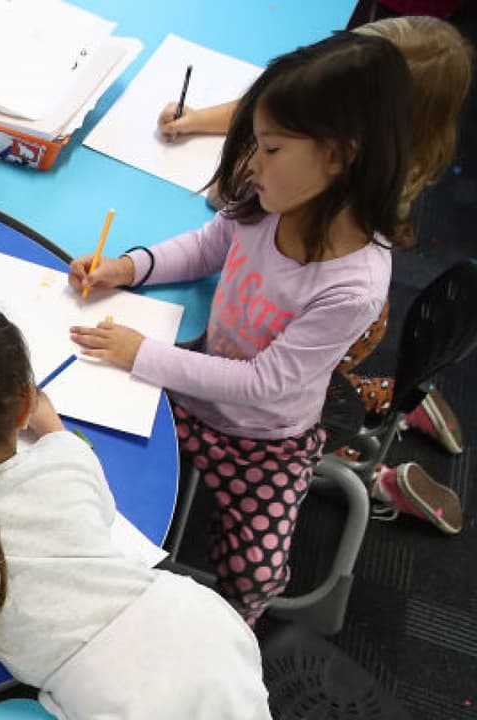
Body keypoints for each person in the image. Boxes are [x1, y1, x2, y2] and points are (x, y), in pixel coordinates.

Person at [68, 32, 415, 622]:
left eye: (272, 148)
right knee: (98, 473)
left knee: (256, 575)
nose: (252, 163)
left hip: (264, 438)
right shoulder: (268, 199)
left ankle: (228, 631)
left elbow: (262, 383)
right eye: (255, 143)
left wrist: (141, 353)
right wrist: (128, 268)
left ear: (339, 156)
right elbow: (208, 246)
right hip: (190, 388)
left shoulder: (354, 284)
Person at [0, 299, 270, 720]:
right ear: (26, 405)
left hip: (109, 688)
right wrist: (52, 427)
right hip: (200, 626)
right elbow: (102, 514)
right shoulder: (66, 457)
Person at [157, 16, 472, 466]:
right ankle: (392, 401)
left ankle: (369, 447)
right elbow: (281, 109)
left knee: (307, 384)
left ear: (348, 147)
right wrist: (197, 121)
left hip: (316, 331)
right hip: (281, 324)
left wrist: (252, 175)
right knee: (305, 371)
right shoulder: (340, 149)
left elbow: (268, 380)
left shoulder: (350, 230)